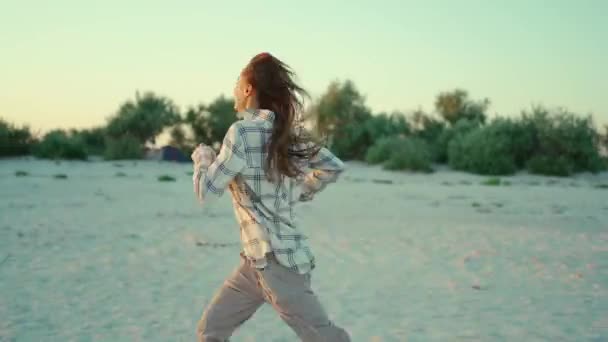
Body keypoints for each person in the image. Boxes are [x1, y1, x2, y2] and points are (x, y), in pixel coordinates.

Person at [191, 52, 350, 342]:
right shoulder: (288, 132)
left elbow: (206, 191)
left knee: (326, 338)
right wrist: (298, 192)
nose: (234, 92)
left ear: (249, 89)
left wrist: (203, 159)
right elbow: (333, 166)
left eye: (237, 84)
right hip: (253, 265)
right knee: (210, 330)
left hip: (279, 268)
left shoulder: (240, 133)